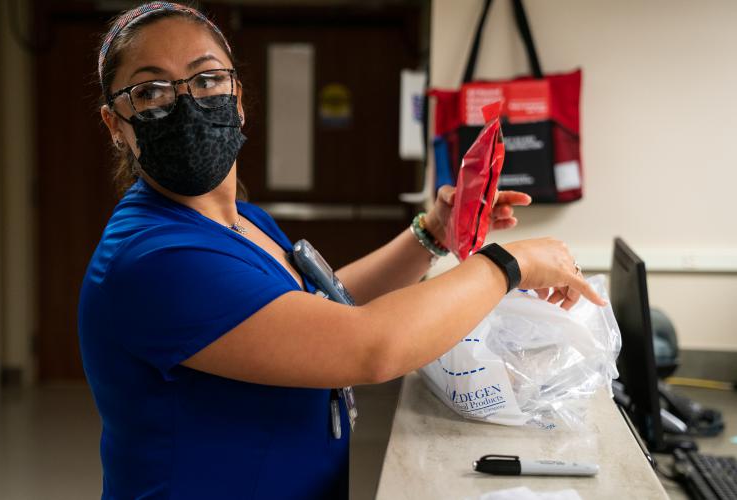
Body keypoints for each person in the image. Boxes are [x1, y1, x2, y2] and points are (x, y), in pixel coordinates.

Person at [79, 3, 604, 499]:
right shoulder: (153, 259)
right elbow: (366, 347)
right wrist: (510, 266)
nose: (186, 101)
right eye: (151, 91)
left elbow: (319, 311)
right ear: (115, 125)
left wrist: (433, 233)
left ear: (237, 99)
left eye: (207, 77)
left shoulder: (240, 221)